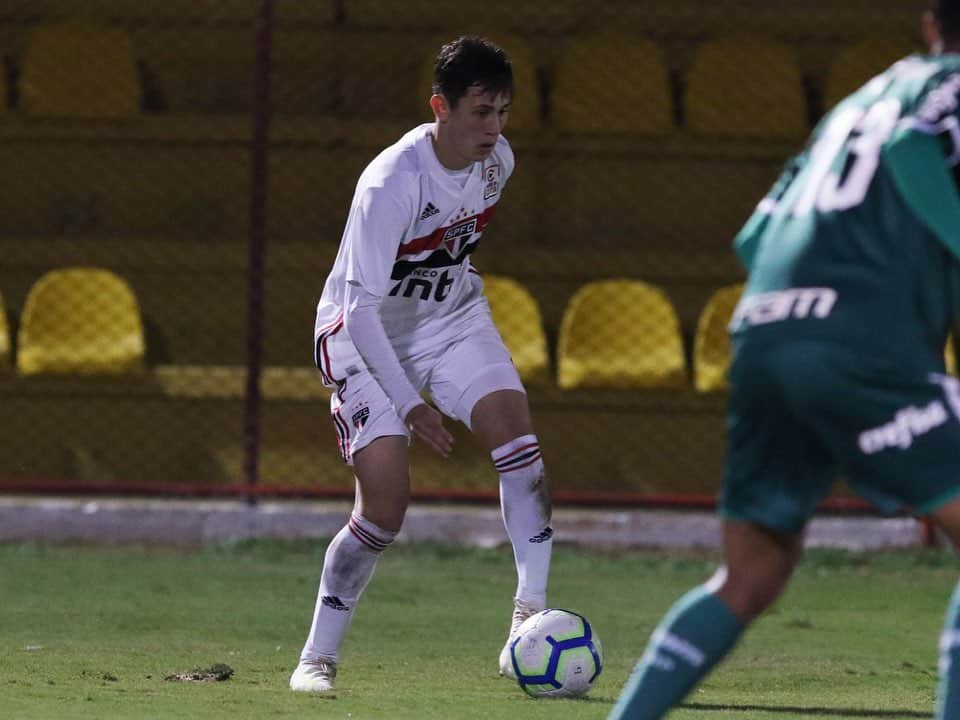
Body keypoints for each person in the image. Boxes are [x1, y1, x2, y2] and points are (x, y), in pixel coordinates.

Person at [609, 3, 960, 718]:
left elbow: (753, 235)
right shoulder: (948, 88)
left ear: (929, 23)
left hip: (765, 328)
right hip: (861, 338)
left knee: (751, 573)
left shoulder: (860, 100)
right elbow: (911, 152)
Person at [289, 36, 554, 694]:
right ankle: (316, 658)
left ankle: (529, 615)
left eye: (503, 112)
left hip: (450, 318)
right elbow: (359, 307)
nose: (493, 128)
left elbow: (447, 260)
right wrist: (410, 404)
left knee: (521, 445)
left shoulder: (499, 163)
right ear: (441, 106)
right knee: (385, 505)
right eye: (480, 112)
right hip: (361, 333)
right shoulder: (390, 182)